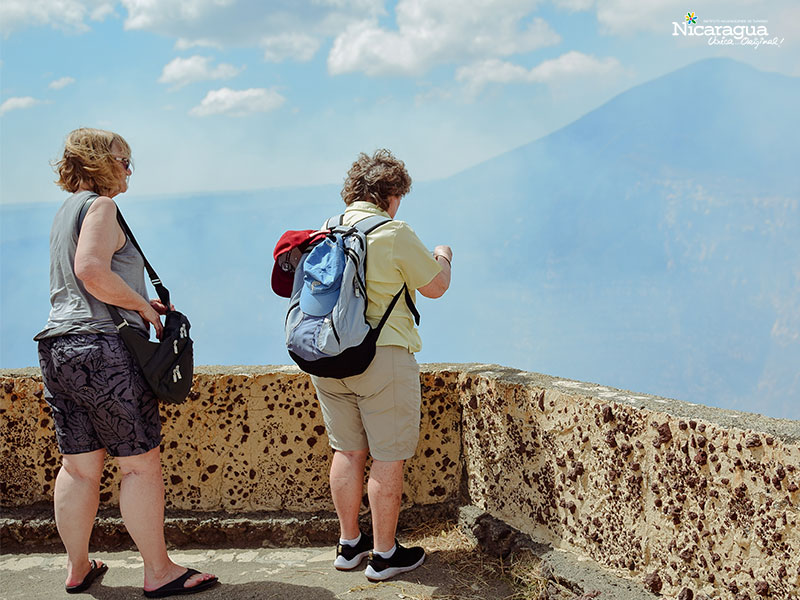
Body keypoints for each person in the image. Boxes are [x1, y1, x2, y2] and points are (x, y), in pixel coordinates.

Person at [34, 128, 218, 598]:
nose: (129, 169)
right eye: (123, 160)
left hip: (58, 349)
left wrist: (133, 300)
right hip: (104, 351)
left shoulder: (64, 213)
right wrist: (139, 306)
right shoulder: (101, 207)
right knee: (139, 467)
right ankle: (158, 572)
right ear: (98, 161)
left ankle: (78, 569)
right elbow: (91, 270)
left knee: (78, 469)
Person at [310, 149, 452, 582]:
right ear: (389, 193)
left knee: (347, 452)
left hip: (327, 356)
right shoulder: (394, 232)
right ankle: (385, 554)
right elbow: (435, 288)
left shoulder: (326, 229)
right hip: (381, 357)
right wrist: (443, 255)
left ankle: (349, 544)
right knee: (388, 457)